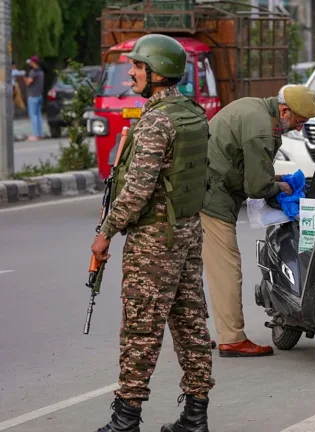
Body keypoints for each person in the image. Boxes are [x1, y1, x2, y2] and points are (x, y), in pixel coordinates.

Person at [90, 34, 215, 432]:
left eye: (138, 66)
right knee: (191, 323)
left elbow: (137, 189)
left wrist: (106, 232)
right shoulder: (191, 113)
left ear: (156, 72)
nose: (130, 72)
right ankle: (195, 416)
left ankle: (126, 420)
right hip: (188, 232)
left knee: (141, 329)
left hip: (154, 241)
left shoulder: (156, 121)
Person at [200, 84, 315, 357]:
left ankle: (193, 333)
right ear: (285, 110)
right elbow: (256, 187)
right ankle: (232, 339)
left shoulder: (255, 108)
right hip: (211, 197)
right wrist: (282, 189)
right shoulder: (263, 129)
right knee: (226, 270)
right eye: (299, 121)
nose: (299, 128)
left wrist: (274, 180)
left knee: (189, 268)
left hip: (203, 187)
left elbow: (246, 166)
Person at [24, 56, 44, 140]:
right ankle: (39, 133)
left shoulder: (33, 72)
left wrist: (24, 78)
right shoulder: (41, 72)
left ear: (33, 62)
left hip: (33, 96)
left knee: (33, 115)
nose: (30, 64)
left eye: (31, 62)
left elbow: (28, 83)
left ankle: (35, 135)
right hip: (39, 95)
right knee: (38, 115)